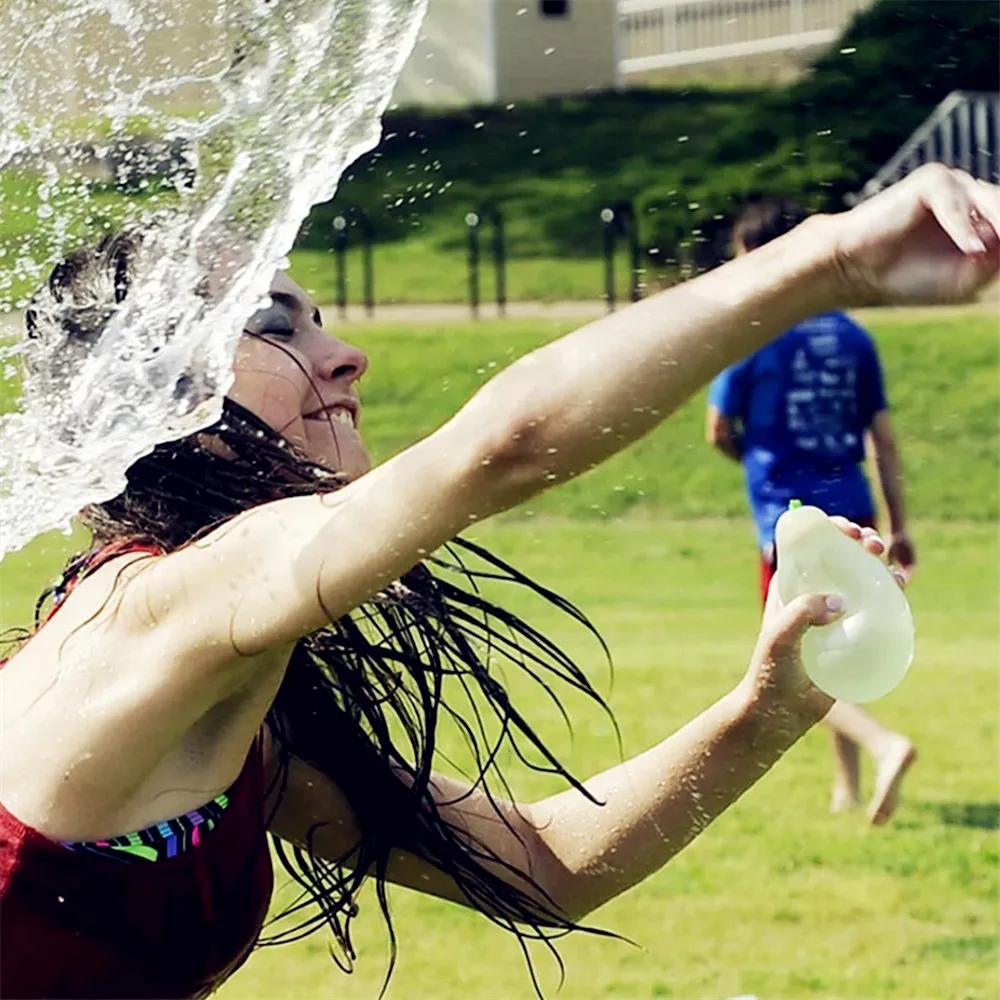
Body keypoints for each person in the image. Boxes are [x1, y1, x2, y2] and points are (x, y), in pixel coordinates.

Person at [1, 165, 997, 1000]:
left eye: (321, 321)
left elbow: (540, 865)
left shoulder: (245, 713)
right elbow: (505, 444)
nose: (347, 356)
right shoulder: (145, 616)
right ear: (153, 392)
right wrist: (832, 255)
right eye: (279, 326)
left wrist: (766, 710)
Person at [705, 198, 920, 825]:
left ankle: (883, 746)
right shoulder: (854, 336)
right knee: (835, 648)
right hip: (855, 511)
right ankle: (844, 790)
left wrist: (757, 459)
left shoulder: (754, 337)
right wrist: (899, 524)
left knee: (794, 659)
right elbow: (882, 439)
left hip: (790, 520)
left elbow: (719, 427)